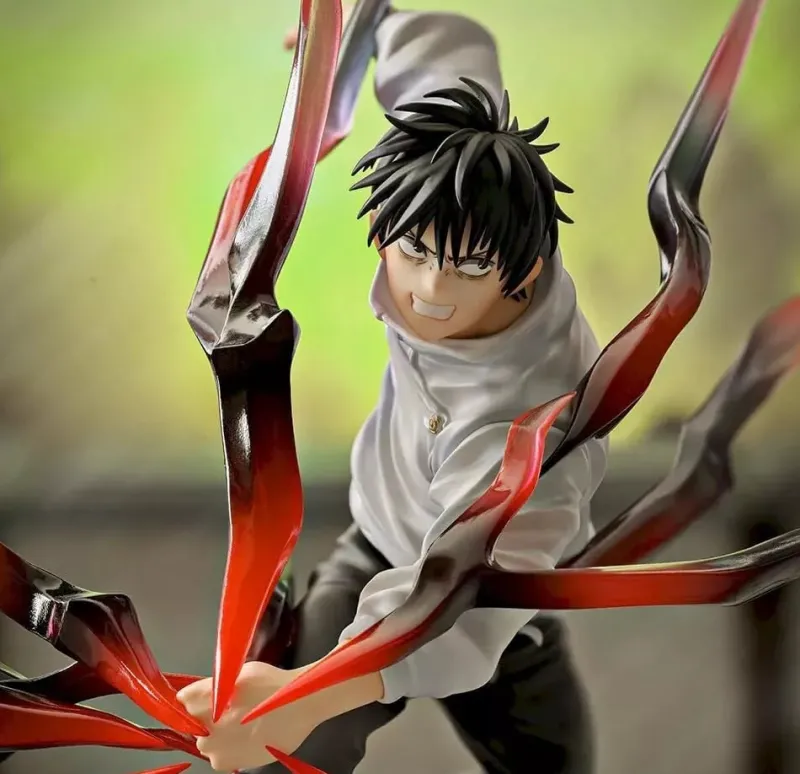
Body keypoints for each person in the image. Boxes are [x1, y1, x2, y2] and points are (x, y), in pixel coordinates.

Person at [178, 7, 608, 773]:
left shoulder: (542, 420)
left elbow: (464, 601)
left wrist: (305, 697)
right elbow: (449, 51)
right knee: (294, 755)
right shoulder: (454, 167)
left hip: (497, 610)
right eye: (416, 251)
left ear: (525, 269)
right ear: (382, 229)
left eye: (470, 267)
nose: (433, 290)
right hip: (376, 548)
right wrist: (356, 33)